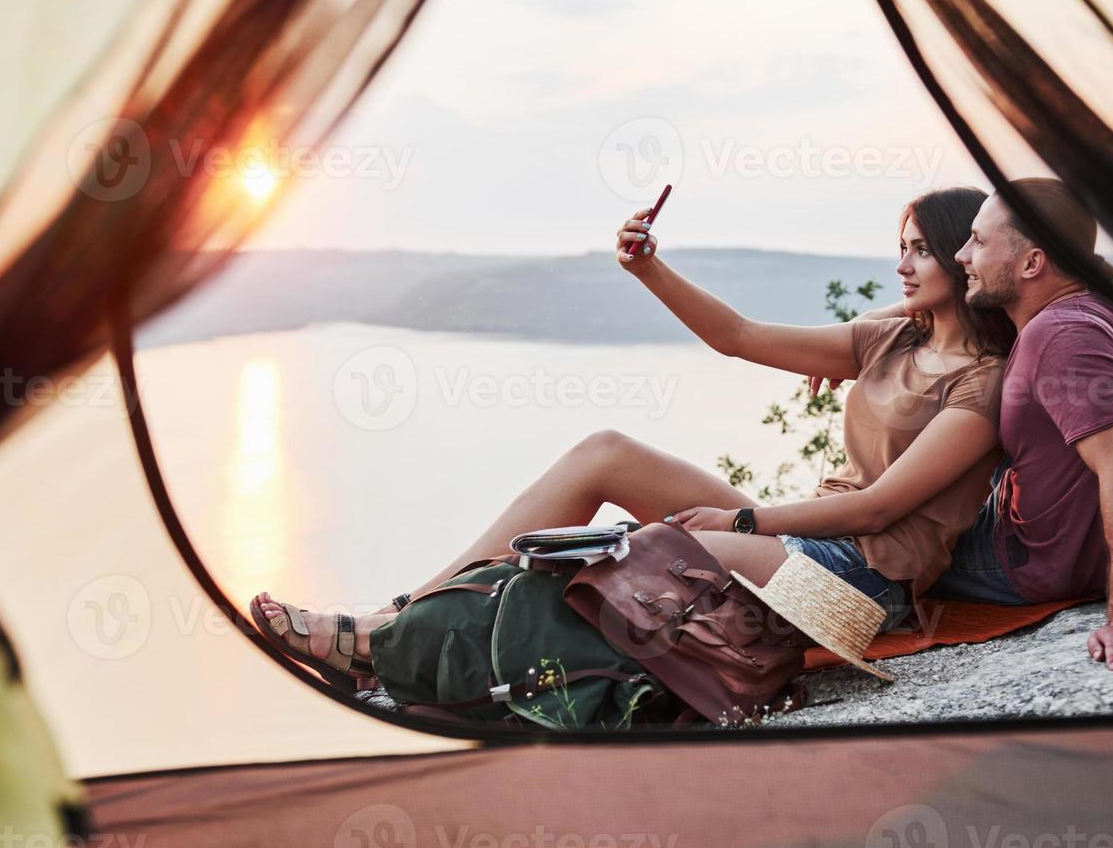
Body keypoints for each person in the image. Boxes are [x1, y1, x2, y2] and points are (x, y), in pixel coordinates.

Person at [252, 187, 1015, 681]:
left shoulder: (981, 385)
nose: (903, 264)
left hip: (860, 587)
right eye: (902, 246)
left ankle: (387, 652)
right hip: (799, 548)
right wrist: (648, 267)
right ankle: (408, 613)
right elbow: (737, 335)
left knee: (643, 550)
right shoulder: (889, 340)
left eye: (920, 248)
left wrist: (742, 519)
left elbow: (879, 510)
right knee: (604, 454)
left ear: (963, 253)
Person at [832, 179, 1113, 672]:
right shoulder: (1091, 302)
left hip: (1030, 562)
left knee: (895, 525)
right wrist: (875, 327)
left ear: (1033, 264)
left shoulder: (1060, 335)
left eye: (978, 242)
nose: (962, 256)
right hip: (1079, 547)